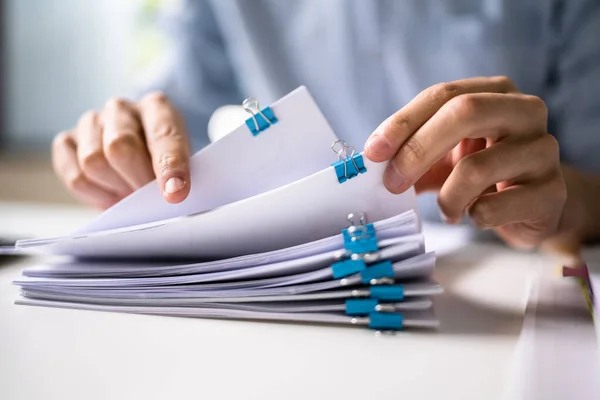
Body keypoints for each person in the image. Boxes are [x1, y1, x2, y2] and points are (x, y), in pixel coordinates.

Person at [51, 0, 600, 252]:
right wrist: (119, 148)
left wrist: (564, 203)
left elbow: (589, 181)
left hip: (508, 281)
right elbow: (171, 130)